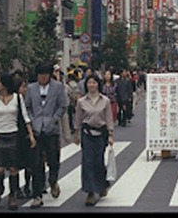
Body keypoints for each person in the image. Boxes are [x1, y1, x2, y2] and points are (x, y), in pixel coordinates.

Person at [0, 71, 36, 210]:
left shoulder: (17, 98)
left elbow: (25, 118)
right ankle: (0, 188)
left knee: (14, 168)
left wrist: (31, 135)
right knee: (0, 168)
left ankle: (12, 195)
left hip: (14, 135)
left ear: (5, 83)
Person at [24, 63, 68, 209]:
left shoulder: (58, 87)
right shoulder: (31, 88)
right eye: (40, 74)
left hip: (51, 130)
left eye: (45, 74)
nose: (42, 77)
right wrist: (31, 119)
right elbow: (27, 106)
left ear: (50, 75)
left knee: (53, 159)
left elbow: (63, 106)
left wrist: (54, 119)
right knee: (36, 163)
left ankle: (53, 180)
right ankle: (37, 195)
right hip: (36, 130)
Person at [73, 74, 115, 206]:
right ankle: (90, 192)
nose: (91, 85)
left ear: (98, 84)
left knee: (98, 161)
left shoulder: (105, 101)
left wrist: (110, 134)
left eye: (94, 83)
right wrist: (76, 133)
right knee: (87, 161)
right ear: (86, 85)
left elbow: (108, 118)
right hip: (87, 133)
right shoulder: (81, 101)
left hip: (101, 133)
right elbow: (78, 118)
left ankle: (102, 185)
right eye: (89, 83)